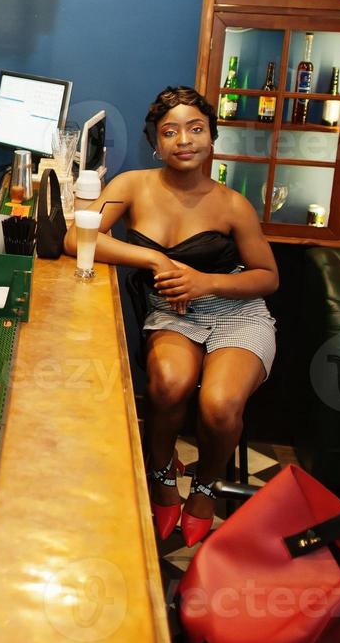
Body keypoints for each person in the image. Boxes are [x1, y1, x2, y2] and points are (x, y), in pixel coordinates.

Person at [64, 85, 277, 546]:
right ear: (156, 143)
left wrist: (206, 282)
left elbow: (267, 277)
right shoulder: (131, 186)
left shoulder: (232, 204)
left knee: (219, 406)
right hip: (172, 314)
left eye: (196, 129)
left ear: (212, 138)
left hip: (236, 312)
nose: (185, 140)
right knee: (169, 382)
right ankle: (162, 473)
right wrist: (157, 262)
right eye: (171, 131)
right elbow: (77, 238)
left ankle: (204, 489)